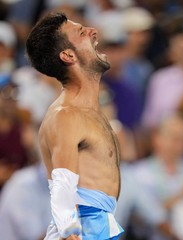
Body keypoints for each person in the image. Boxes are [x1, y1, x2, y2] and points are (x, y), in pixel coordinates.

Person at [25, 12, 123, 240]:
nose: (93, 31)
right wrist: (71, 235)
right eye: (81, 32)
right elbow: (62, 187)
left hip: (97, 226)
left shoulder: (89, 112)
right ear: (68, 55)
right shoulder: (66, 115)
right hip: (83, 229)